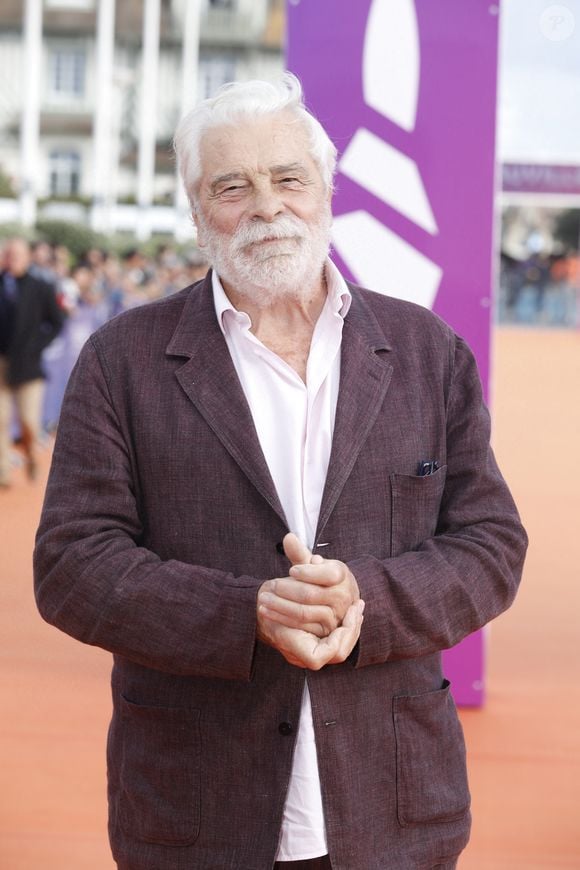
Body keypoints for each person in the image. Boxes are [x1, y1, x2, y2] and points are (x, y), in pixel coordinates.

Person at [34, 74, 527, 870]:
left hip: (394, 810)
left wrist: (364, 597)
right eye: (232, 185)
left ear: (326, 191)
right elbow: (71, 566)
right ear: (197, 214)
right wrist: (247, 613)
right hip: (196, 814)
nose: (267, 205)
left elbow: (491, 546)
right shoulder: (121, 361)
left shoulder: (427, 352)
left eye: (288, 177)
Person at [0, 237, 65, 487]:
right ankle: (3, 472)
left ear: (28, 257)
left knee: (29, 422)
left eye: (17, 255)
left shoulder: (41, 286)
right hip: (1, 363)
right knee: (1, 419)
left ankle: (29, 453)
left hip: (28, 367)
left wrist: (36, 346)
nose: (11, 259)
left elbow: (56, 321)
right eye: (8, 254)